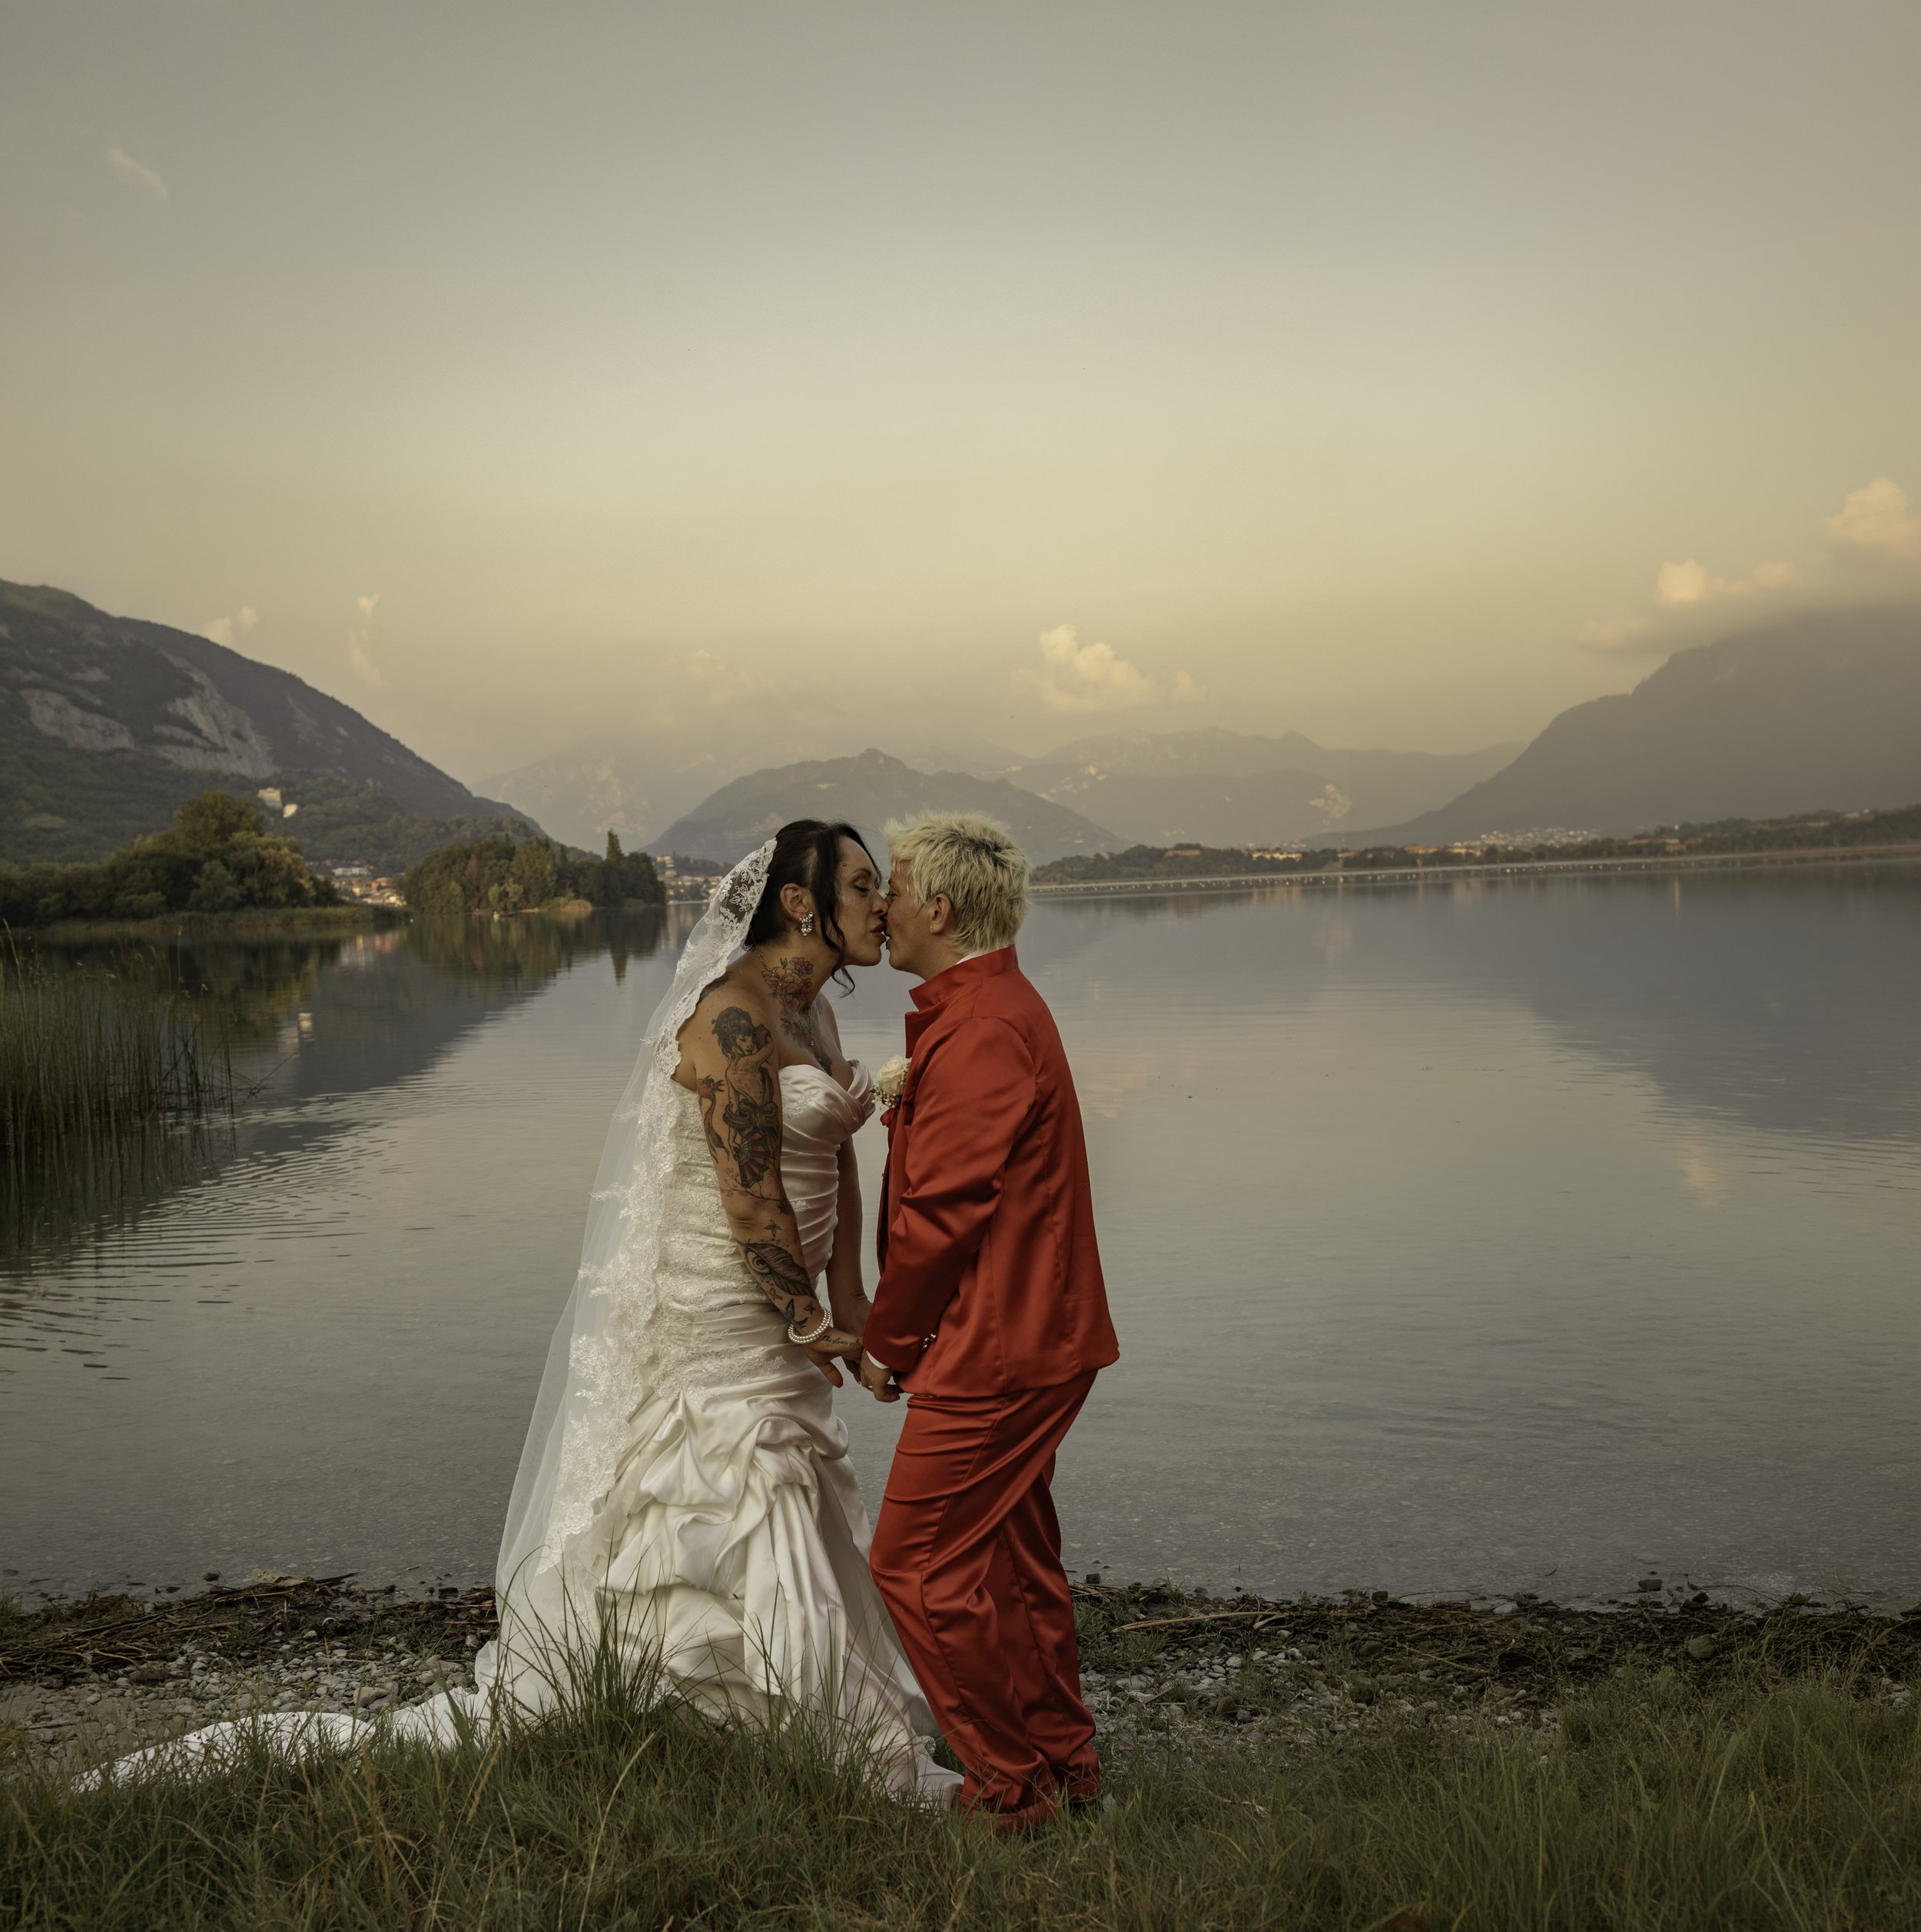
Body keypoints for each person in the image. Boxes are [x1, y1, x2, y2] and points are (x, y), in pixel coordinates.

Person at [98, 822, 959, 1801]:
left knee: (784, 1494)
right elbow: (749, 1197)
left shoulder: (817, 1020)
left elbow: (836, 1171)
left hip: (784, 1309)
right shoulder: (733, 1015)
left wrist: (853, 1303)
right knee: (733, 1486)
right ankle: (805, 1738)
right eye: (860, 885)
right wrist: (810, 1322)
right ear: (800, 902)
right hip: (722, 1303)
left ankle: (737, 1724)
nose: (880, 903)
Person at [857, 812, 1120, 1832]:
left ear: (938, 905)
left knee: (912, 1560)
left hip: (1002, 1347)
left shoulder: (981, 1027)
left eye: (894, 884)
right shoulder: (985, 1009)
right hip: (1029, 1333)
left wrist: (889, 1345)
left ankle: (1012, 1790)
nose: (879, 902)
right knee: (1009, 1552)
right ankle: (1065, 1757)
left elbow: (941, 1216)